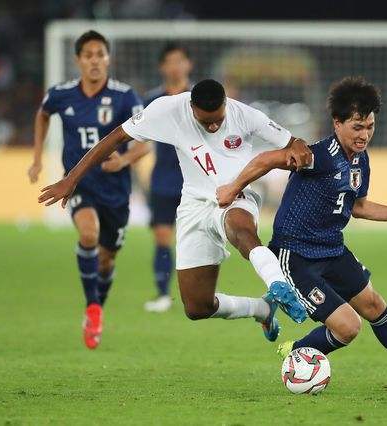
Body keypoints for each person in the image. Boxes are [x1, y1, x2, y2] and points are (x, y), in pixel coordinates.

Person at [216, 76, 387, 388]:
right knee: (348, 328)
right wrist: (233, 187)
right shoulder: (319, 155)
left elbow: (359, 206)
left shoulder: (360, 161)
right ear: (337, 122)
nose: (364, 134)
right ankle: (298, 351)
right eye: (357, 127)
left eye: (370, 126)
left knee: (375, 306)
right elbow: (267, 158)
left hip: (332, 249)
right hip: (295, 255)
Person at [38, 79, 312, 344]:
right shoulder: (166, 110)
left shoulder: (245, 114)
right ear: (191, 108)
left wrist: (299, 147)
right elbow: (115, 137)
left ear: (225, 103)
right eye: (207, 122)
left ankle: (278, 284)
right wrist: (72, 179)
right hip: (194, 204)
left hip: (235, 196)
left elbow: (292, 142)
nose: (215, 125)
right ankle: (262, 310)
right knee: (197, 306)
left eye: (219, 118)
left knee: (241, 230)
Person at [27, 30, 149, 350]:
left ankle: (95, 308)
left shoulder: (124, 96)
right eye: (88, 55)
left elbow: (144, 144)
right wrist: (38, 158)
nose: (95, 61)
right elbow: (42, 115)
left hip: (116, 191)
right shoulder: (62, 94)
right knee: (88, 234)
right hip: (79, 184)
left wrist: (122, 160)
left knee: (107, 260)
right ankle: (93, 309)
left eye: (100, 55)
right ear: (78, 60)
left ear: (108, 58)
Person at [143, 43, 191, 313]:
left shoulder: (199, 97)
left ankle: (201, 293)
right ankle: (163, 294)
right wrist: (124, 160)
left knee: (198, 239)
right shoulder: (152, 100)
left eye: (180, 60)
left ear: (188, 65)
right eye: (170, 61)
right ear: (162, 67)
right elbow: (141, 139)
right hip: (162, 179)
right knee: (162, 237)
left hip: (194, 180)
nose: (175, 66)